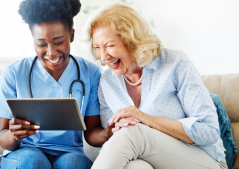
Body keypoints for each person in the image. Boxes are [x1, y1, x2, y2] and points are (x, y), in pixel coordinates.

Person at [82, 2, 228, 169]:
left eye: (109, 46)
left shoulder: (175, 63)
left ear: (132, 41)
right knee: (134, 167)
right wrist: (112, 131)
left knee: (133, 132)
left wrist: (146, 119)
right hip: (150, 161)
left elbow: (209, 131)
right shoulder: (107, 81)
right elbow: (113, 141)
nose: (103, 57)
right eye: (97, 48)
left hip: (204, 160)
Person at [0, 0, 113, 168]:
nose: (51, 52)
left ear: (71, 35)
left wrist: (108, 132)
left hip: (70, 152)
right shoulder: (13, 74)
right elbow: (3, 138)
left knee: (75, 164)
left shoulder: (90, 72)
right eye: (41, 44)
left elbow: (91, 133)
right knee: (34, 161)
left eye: (58, 42)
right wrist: (14, 135)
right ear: (33, 40)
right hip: (25, 152)